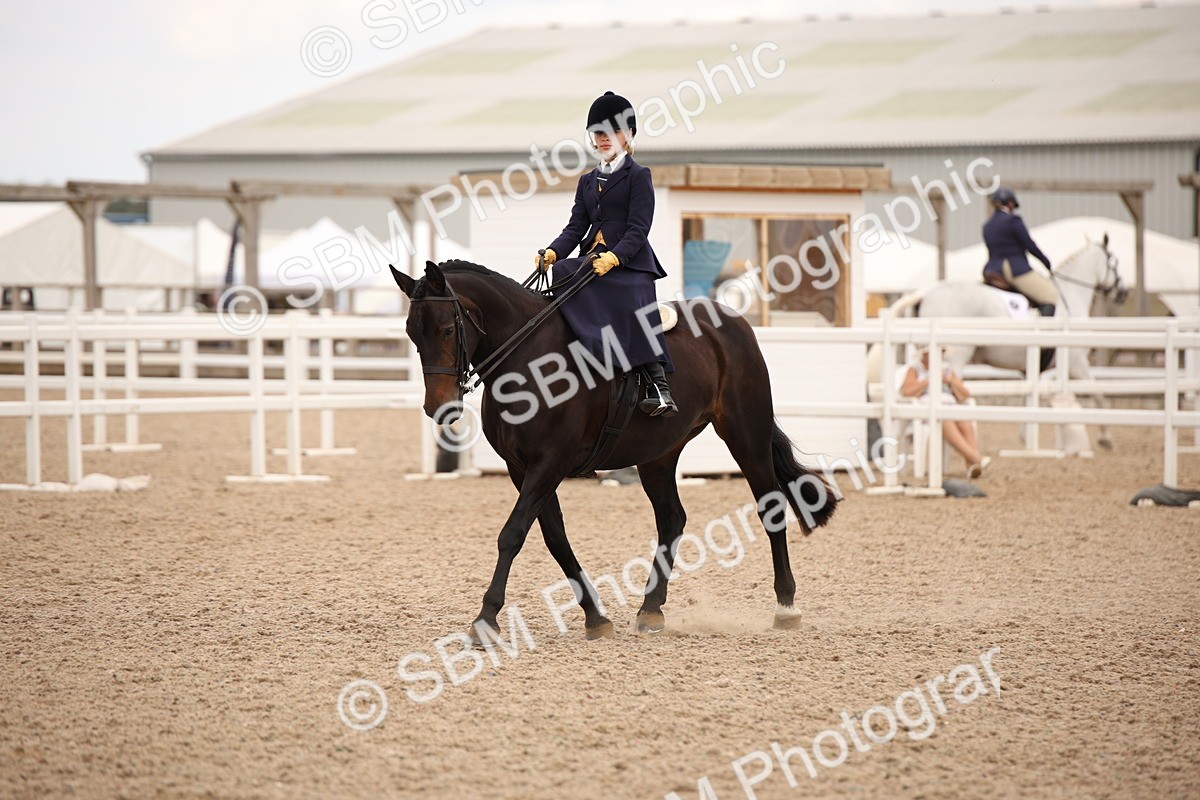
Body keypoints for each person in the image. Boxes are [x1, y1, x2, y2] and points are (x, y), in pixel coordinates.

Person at [536, 91, 677, 418]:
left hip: (630, 263)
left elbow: (638, 229)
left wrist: (615, 257)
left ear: (627, 136)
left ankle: (658, 385)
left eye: (610, 132)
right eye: (597, 133)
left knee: (628, 294)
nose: (602, 139)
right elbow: (575, 227)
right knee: (562, 275)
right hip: (592, 259)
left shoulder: (639, 176)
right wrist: (554, 252)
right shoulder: (587, 181)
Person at [899, 347, 990, 479]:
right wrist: (929, 381)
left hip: (950, 406)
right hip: (928, 410)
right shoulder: (914, 370)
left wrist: (950, 381)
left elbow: (965, 395)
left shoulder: (947, 370)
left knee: (966, 423)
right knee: (945, 420)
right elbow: (907, 392)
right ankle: (976, 458)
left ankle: (972, 465)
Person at [982, 187, 1059, 317]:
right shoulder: (1013, 221)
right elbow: (1029, 245)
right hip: (1013, 268)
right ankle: (1044, 334)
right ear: (1010, 203)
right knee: (1050, 296)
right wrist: (1046, 262)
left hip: (992, 269)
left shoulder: (987, 226)